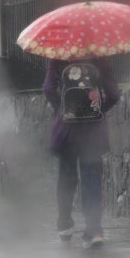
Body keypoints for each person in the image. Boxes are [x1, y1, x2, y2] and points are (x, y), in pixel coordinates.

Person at [42, 58, 120, 248]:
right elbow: (114, 95)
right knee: (91, 178)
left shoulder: (58, 56)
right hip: (92, 132)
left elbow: (48, 89)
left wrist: (61, 109)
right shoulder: (100, 57)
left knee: (66, 178)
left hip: (66, 131)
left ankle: (64, 225)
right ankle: (94, 231)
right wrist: (99, 109)